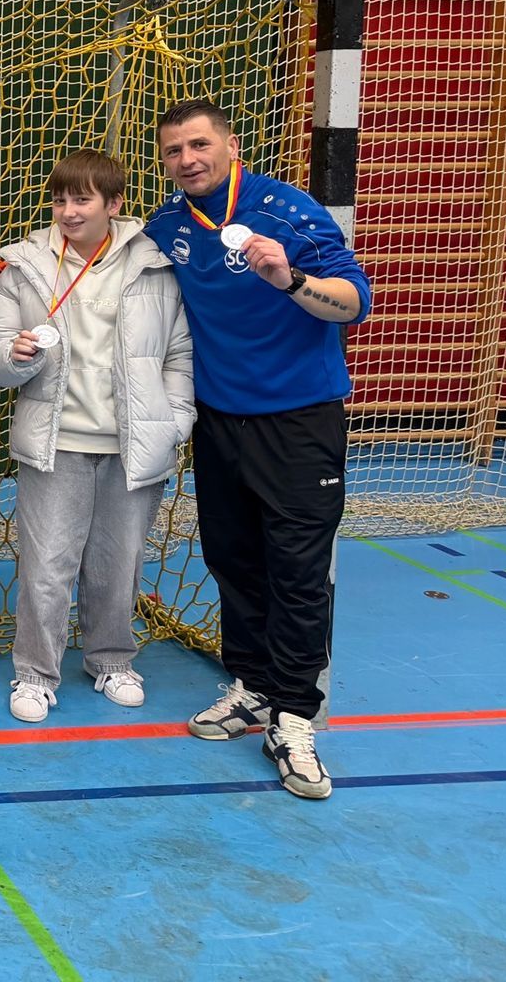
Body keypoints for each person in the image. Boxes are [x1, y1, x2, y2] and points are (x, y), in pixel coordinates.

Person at [145, 99, 370, 801]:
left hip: (299, 422)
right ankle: (254, 686)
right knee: (233, 560)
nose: (188, 159)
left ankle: (295, 717)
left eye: (199, 144)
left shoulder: (289, 211)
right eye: (174, 150)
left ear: (231, 144)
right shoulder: (169, 225)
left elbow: (354, 301)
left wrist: (291, 280)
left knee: (297, 572)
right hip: (220, 423)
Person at [0, 149, 194, 724]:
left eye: (82, 199)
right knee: (47, 566)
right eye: (59, 200)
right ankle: (34, 673)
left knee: (118, 565)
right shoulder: (22, 264)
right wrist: (15, 356)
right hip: (55, 444)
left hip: (133, 445)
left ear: (114, 203)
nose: (69, 211)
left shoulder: (156, 263)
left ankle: (112, 661)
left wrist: (174, 420)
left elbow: (179, 354)